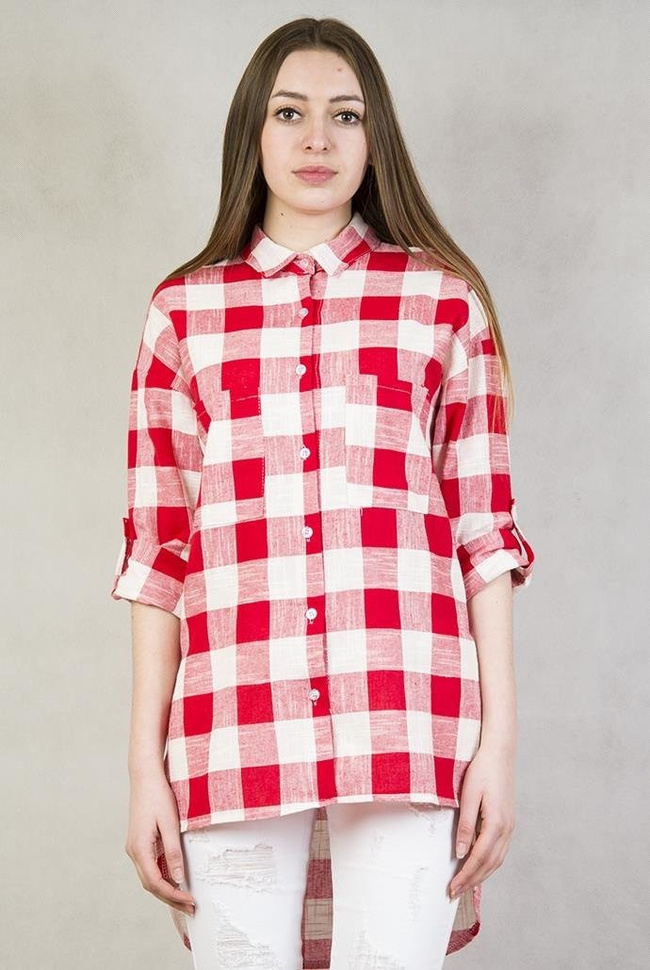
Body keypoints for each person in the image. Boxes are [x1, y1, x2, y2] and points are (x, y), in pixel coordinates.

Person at [110, 16, 536, 970]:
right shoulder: (182, 313)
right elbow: (158, 555)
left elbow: (485, 538)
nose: (316, 139)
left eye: (345, 115)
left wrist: (498, 747)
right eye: (288, 113)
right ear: (251, 134)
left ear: (375, 136)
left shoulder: (443, 302)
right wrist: (145, 766)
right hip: (232, 719)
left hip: (407, 709)